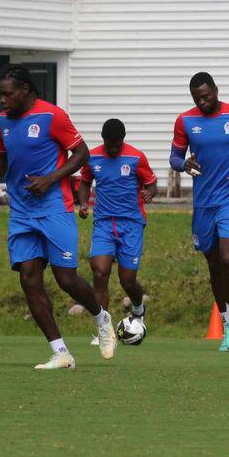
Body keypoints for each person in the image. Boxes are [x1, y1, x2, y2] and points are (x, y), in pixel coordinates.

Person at [0, 64, 116, 370]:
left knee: (66, 279)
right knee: (29, 278)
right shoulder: (3, 121)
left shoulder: (53, 116)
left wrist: (50, 179)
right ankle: (60, 352)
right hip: (22, 212)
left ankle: (102, 318)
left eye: (7, 94)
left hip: (54, 207)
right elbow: (3, 159)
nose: (2, 100)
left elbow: (82, 154)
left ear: (25, 90)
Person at [170, 72, 229, 353]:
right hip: (203, 204)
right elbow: (174, 157)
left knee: (227, 258)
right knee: (214, 266)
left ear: (215, 90)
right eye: (197, 98)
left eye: (206, 95)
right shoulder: (185, 121)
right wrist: (183, 165)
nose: (202, 101)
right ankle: (225, 324)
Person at [78, 119, 157, 342]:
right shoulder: (92, 157)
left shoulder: (135, 157)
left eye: (117, 145)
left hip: (131, 224)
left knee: (127, 280)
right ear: (103, 140)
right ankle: (104, 330)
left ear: (122, 140)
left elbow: (151, 182)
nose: (113, 149)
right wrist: (83, 204)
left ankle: (138, 308)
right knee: (99, 272)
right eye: (109, 144)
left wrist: (150, 193)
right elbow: (84, 182)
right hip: (104, 222)